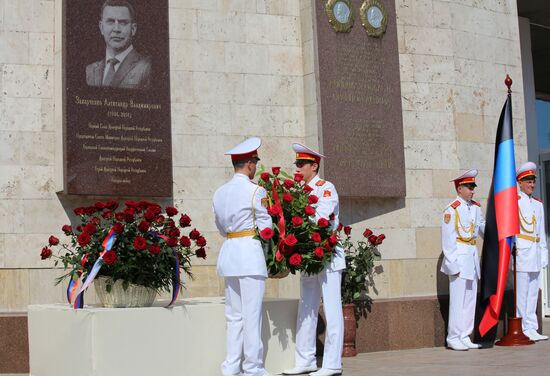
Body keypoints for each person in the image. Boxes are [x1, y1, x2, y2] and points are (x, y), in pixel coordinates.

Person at [283, 143, 345, 376]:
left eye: (301, 164)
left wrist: (295, 214)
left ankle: (331, 363)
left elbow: (321, 217)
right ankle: (305, 360)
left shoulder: (325, 187)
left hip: (326, 252)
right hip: (307, 254)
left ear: (314, 166)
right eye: (296, 164)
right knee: (306, 307)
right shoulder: (299, 191)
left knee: (331, 308)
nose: (297, 168)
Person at [213, 137, 273, 376]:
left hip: (230, 254)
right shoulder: (256, 190)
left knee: (234, 316)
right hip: (249, 255)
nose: (255, 167)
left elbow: (220, 227)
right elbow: (265, 226)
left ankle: (230, 366)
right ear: (249, 164)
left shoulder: (219, 192)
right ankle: (253, 367)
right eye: (255, 162)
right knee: (252, 315)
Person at [440, 169, 485, 351]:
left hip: (472, 258)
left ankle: (465, 335)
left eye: (473, 186)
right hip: (458, 258)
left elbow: (483, 227)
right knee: (458, 301)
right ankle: (453, 337)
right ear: (459, 188)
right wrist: (452, 264)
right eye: (469, 187)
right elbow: (448, 239)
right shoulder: (452, 209)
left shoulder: (475, 207)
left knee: (470, 299)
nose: (472, 190)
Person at [515, 162, 549, 341]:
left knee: (533, 291)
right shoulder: (514, 202)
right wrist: (515, 250)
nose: (532, 185)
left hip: (535, 251)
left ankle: (532, 327)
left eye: (533, 181)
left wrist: (544, 253)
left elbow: (541, 232)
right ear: (520, 182)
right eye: (528, 181)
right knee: (522, 294)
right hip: (522, 252)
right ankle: (521, 328)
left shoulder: (538, 204)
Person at [86, 0, 152, 89]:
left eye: (123, 22)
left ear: (133, 29)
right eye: (110, 22)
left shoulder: (147, 68)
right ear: (101, 27)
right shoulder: (90, 70)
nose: (116, 29)